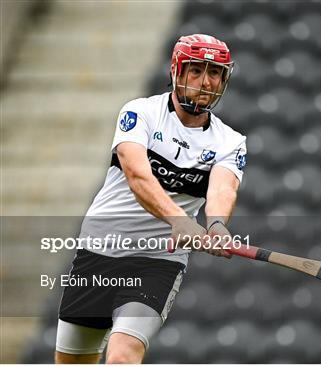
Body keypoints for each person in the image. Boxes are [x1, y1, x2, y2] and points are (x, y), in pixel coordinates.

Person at [55, 34, 247, 364]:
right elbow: (138, 176)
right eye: (196, 70)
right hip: (98, 252)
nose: (205, 82)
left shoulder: (230, 141)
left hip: (157, 264)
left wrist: (216, 226)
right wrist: (179, 220)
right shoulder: (140, 113)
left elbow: (222, 189)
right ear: (176, 71)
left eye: (215, 73)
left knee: (122, 355)